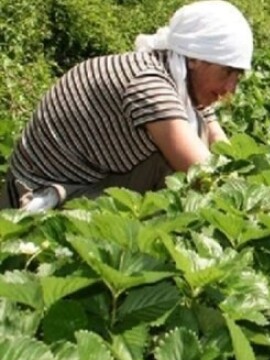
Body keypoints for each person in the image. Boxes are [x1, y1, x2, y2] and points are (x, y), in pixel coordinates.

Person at [0, 0, 253, 211]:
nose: (230, 89)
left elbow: (217, 139)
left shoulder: (171, 72)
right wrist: (253, 202)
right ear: (197, 59)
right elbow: (201, 169)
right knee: (180, 168)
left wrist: (243, 173)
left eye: (237, 76)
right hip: (41, 193)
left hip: (85, 178)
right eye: (227, 72)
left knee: (196, 135)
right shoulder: (148, 84)